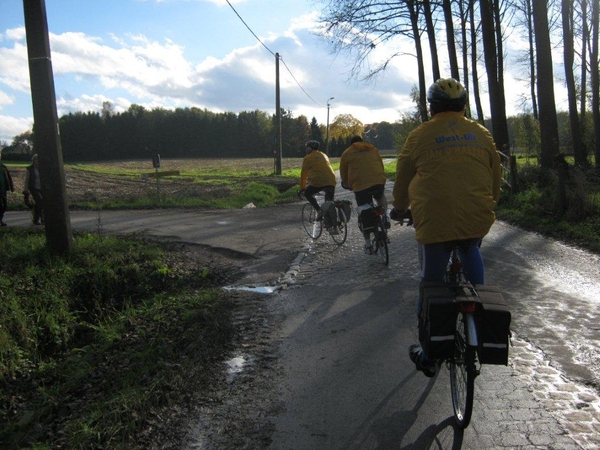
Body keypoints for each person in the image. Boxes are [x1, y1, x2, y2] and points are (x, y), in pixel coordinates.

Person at [390, 78, 502, 377]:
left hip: (435, 220)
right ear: (463, 106)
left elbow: (402, 178)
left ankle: (428, 353)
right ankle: (478, 321)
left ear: (432, 107)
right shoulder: (481, 133)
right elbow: (495, 175)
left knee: (431, 283)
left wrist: (400, 207)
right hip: (477, 216)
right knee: (470, 247)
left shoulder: (419, 135)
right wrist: (491, 201)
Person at [340, 135, 389, 254]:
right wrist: (381, 178)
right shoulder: (372, 148)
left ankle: (368, 245)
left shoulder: (347, 153)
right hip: (378, 181)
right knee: (380, 196)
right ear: (362, 142)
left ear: (351, 144)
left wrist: (347, 184)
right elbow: (381, 165)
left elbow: (343, 173)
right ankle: (385, 216)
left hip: (360, 186)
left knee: (364, 212)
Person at [299, 140, 336, 223]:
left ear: (309, 149)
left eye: (307, 148)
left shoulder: (307, 158)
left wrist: (303, 187)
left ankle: (319, 210)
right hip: (331, 181)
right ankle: (333, 224)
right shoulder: (324, 155)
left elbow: (303, 174)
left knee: (307, 193)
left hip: (318, 182)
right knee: (329, 203)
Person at [24, 154, 44, 226]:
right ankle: (36, 220)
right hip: (34, 188)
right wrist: (26, 190)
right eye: (36, 160)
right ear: (33, 160)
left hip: (42, 188)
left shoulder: (42, 168)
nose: (37, 161)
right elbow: (27, 180)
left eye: (38, 160)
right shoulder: (30, 169)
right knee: (40, 202)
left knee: (42, 204)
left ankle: (41, 219)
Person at [0, 149, 15, 227]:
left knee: (5, 206)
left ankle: (0, 219)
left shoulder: (3, 167)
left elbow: (8, 177)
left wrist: (11, 187)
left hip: (3, 189)